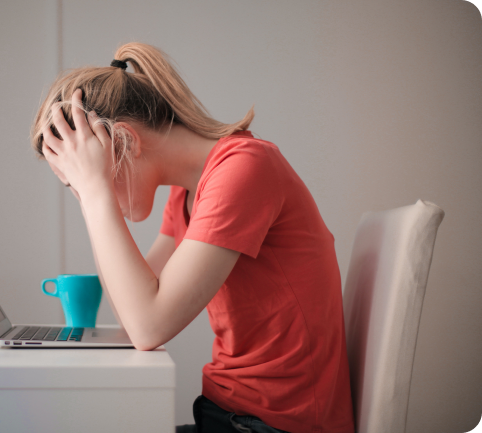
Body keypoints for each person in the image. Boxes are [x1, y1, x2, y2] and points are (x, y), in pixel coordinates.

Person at [30, 42, 355, 433]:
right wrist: (92, 194)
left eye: (84, 175)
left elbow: (148, 326)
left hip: (275, 425)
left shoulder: (244, 170)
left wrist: (97, 194)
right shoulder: (187, 193)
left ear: (127, 142)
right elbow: (129, 309)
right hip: (227, 414)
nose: (84, 191)